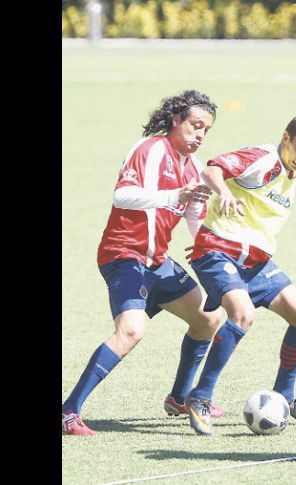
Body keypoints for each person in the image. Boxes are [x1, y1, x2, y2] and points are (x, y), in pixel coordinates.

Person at [62, 90, 225, 436]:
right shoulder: (149, 149)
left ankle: (180, 397)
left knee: (208, 319)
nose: (200, 135)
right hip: (124, 255)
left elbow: (195, 218)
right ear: (176, 121)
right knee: (132, 332)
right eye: (195, 126)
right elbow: (122, 195)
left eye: (206, 130)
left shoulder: (194, 167)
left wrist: (213, 251)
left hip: (158, 262)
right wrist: (172, 196)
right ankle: (68, 412)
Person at [183, 114, 296, 436]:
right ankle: (199, 397)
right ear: (285, 138)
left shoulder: (291, 171)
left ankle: (285, 398)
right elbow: (212, 168)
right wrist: (225, 192)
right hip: (218, 250)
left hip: (255, 260)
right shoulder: (262, 158)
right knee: (243, 314)